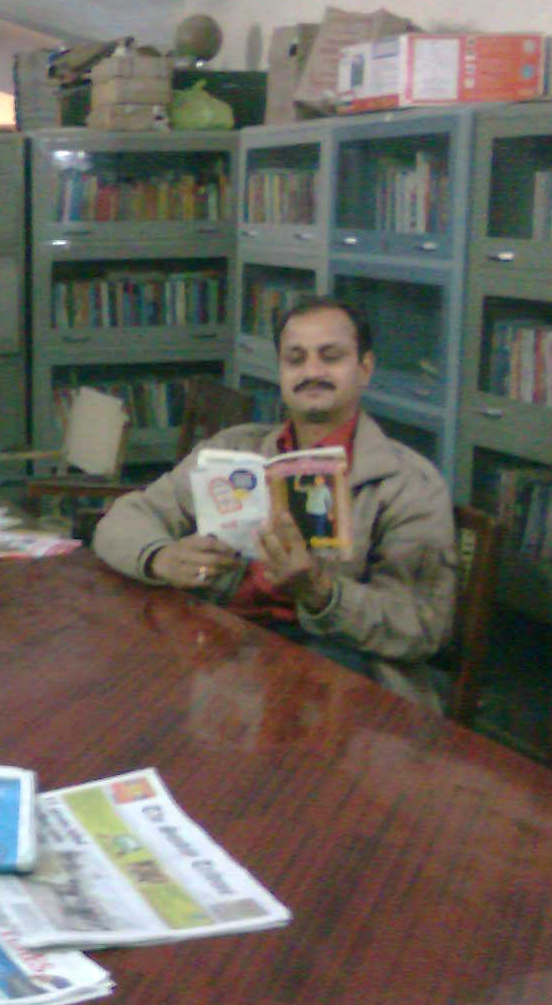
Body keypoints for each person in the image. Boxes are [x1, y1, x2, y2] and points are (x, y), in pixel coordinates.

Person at [93, 297, 457, 711]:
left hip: (342, 671)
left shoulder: (407, 482)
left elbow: (424, 626)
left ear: (365, 369)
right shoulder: (233, 449)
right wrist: (160, 556)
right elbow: (123, 518)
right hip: (223, 649)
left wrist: (323, 594)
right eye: (295, 359)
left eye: (331, 357)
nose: (312, 372)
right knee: (112, 692)